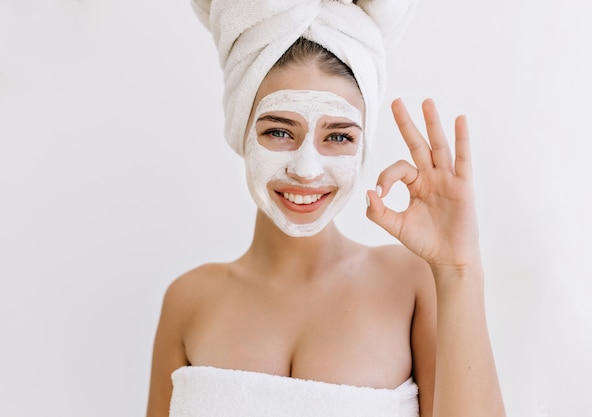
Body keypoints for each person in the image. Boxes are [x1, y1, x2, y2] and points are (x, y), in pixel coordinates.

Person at [147, 1, 506, 416]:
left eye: (338, 137)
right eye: (279, 130)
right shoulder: (189, 300)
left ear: (362, 147)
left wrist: (459, 270)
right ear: (240, 129)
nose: (306, 169)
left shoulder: (411, 283)